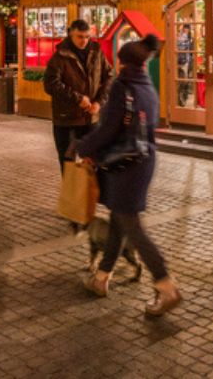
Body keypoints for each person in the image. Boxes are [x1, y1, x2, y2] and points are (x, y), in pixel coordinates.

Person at [76, 34, 181, 317]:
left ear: (121, 62)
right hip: (142, 161)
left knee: (132, 226)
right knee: (119, 220)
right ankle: (102, 278)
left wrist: (83, 147)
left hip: (124, 166)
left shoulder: (123, 87)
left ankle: (166, 285)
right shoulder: (147, 87)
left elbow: (109, 128)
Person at [43, 20, 112, 173]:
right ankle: (72, 196)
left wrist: (99, 102)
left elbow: (109, 77)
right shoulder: (60, 56)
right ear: (70, 35)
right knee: (69, 166)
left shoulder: (96, 51)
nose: (84, 41)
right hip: (66, 121)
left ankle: (90, 195)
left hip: (90, 118)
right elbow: (50, 84)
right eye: (80, 37)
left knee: (93, 163)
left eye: (87, 37)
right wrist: (78, 99)